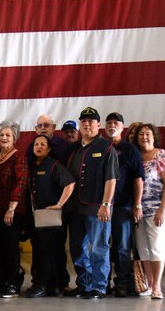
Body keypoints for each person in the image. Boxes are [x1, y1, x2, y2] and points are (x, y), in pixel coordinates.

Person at [65, 107, 119, 299]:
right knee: (77, 249)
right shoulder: (75, 149)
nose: (86, 124)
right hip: (75, 208)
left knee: (98, 248)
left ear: (98, 125)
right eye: (83, 121)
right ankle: (84, 284)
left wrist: (106, 204)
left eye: (91, 121)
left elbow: (111, 179)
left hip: (96, 208)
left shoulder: (106, 148)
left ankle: (99, 286)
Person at [25, 135, 75, 298]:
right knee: (39, 250)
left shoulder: (54, 165)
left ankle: (42, 285)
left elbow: (70, 184)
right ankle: (47, 284)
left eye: (42, 144)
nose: (39, 146)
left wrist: (59, 204)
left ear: (48, 148)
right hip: (34, 217)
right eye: (36, 144)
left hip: (50, 217)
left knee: (48, 251)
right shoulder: (31, 166)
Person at [132, 123, 165, 299]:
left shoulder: (161, 154)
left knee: (157, 247)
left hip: (157, 209)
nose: (144, 137)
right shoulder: (136, 156)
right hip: (138, 211)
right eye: (141, 134)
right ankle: (149, 284)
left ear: (154, 136)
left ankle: (157, 286)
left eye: (148, 134)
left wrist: (162, 209)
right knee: (143, 249)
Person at [104, 112, 145, 296]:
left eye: (116, 123)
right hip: (102, 207)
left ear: (122, 127)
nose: (112, 126)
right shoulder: (101, 147)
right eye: (109, 123)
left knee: (121, 246)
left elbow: (138, 179)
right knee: (102, 245)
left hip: (123, 206)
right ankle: (103, 281)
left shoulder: (130, 150)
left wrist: (137, 205)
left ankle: (122, 282)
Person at [0, 120, 28, 298]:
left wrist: (11, 209)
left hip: (13, 211)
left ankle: (13, 283)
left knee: (10, 247)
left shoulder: (19, 157)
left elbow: (21, 184)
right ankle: (3, 281)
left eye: (8, 135)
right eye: (1, 135)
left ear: (15, 138)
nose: (4, 138)